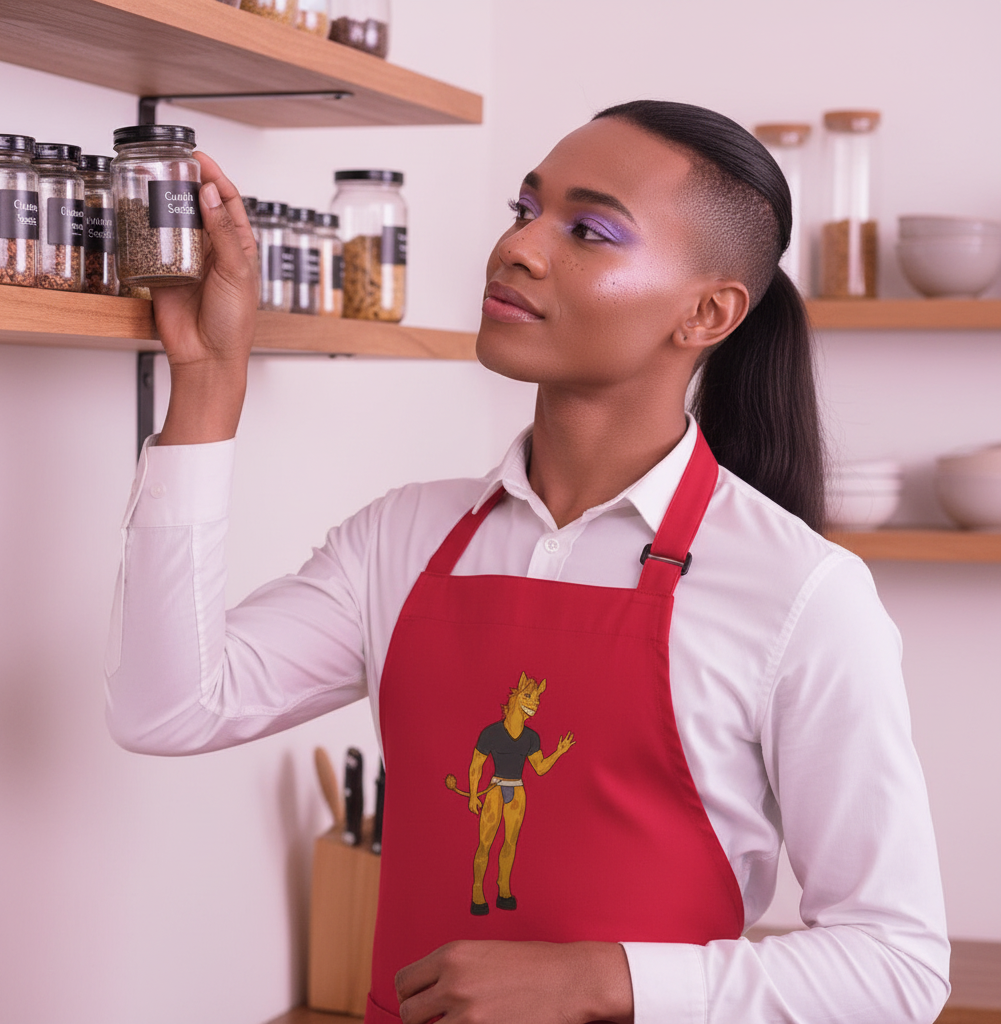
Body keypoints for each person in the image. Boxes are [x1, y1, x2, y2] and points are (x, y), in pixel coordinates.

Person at [106, 101, 950, 1024]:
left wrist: (600, 981)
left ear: (708, 312)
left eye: (589, 230)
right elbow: (168, 708)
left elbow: (896, 968)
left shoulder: (802, 594)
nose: (519, 247)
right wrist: (207, 377)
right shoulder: (403, 538)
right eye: (524, 208)